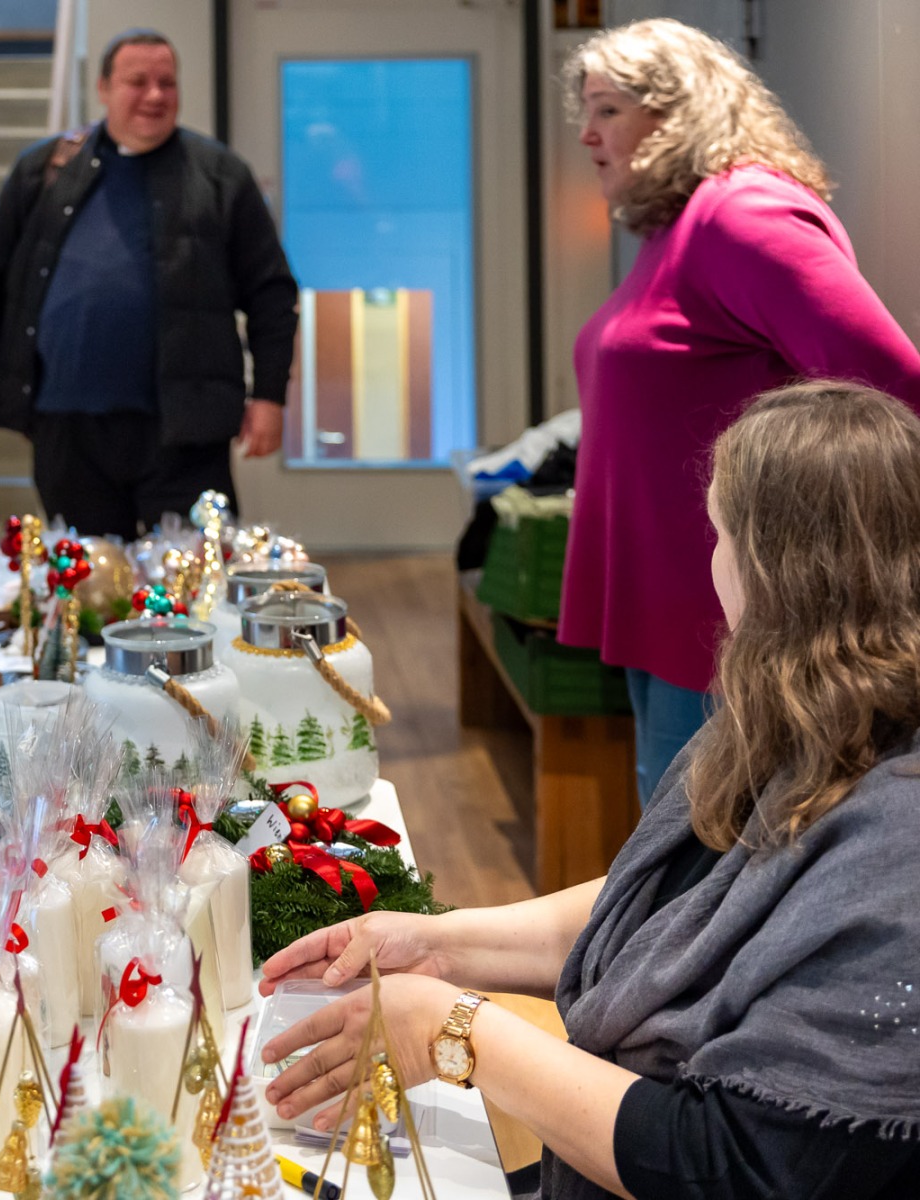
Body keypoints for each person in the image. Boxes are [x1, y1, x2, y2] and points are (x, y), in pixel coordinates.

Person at [259, 381, 920, 1199]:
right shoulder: (798, 719)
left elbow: (724, 1161)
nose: (711, 564)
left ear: (780, 568)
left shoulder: (895, 850)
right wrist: (438, 945)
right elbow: (662, 909)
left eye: (719, 535)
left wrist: (452, 1028)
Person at [557, 18, 920, 806]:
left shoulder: (742, 215)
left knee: (708, 843)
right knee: (679, 833)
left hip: (730, 617)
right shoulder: (679, 227)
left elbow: (892, 387)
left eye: (607, 110)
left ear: (678, 112)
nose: (587, 135)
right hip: (673, 602)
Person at [0, 28, 298, 539]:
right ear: (104, 88)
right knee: (87, 580)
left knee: (192, 579)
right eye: (138, 82)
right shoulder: (43, 170)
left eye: (167, 83)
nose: (155, 95)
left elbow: (271, 294)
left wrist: (269, 395)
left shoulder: (221, 176)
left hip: (185, 432)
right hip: (66, 426)